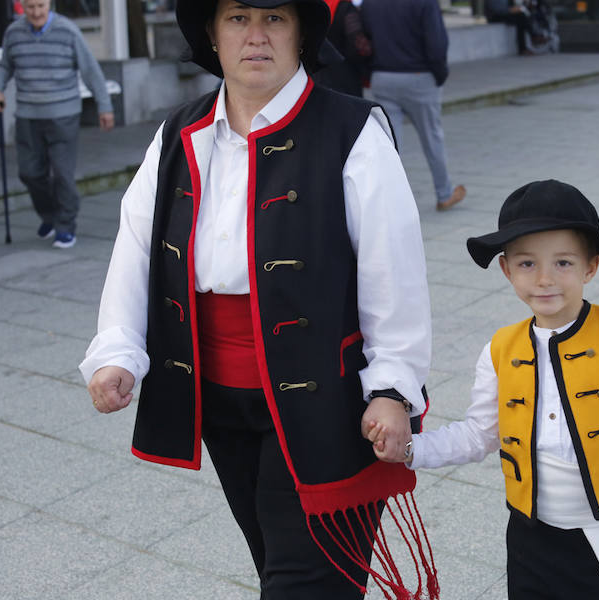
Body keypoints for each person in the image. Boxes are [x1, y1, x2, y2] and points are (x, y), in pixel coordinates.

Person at [80, 1, 439, 598]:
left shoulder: (353, 130)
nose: (255, 37)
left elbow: (394, 274)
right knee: (276, 558)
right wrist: (118, 350)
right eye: (237, 19)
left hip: (327, 397)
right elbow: (136, 248)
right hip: (219, 395)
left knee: (304, 581)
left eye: (274, 19)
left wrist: (393, 388)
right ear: (212, 37)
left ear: (301, 35)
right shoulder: (179, 132)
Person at [367, 180, 599, 600]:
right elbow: (480, 433)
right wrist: (412, 450)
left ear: (591, 266)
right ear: (507, 270)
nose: (545, 279)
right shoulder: (500, 347)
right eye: (527, 264)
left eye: (563, 262)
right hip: (530, 530)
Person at [0, 0, 115, 249]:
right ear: (23, 6)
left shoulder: (67, 31)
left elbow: (90, 70)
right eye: (31, 7)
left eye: (41, 6)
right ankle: (50, 216)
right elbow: (5, 65)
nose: (36, 12)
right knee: (29, 173)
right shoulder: (14, 33)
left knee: (62, 175)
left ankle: (65, 226)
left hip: (63, 114)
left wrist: (105, 106)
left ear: (50, 5)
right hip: (27, 115)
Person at [361, 0, 466, 211]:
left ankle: (389, 201)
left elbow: (365, 40)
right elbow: (436, 43)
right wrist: (439, 75)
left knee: (388, 144)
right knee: (432, 137)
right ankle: (444, 194)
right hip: (419, 76)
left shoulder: (369, 3)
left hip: (383, 76)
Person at [312, 0, 372, 96]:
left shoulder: (313, 8)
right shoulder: (345, 7)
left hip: (317, 75)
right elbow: (357, 44)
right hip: (345, 77)